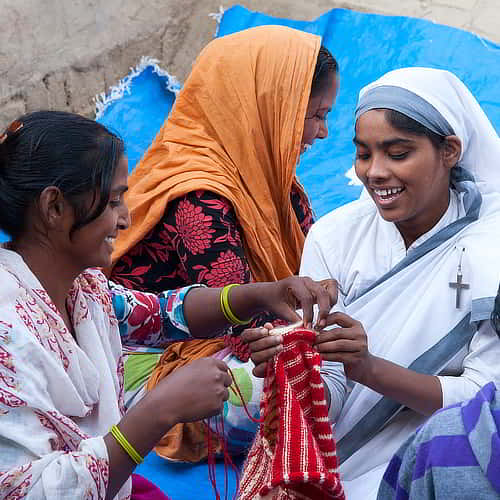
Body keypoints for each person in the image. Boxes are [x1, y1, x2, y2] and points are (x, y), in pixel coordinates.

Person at [0, 111, 338, 499]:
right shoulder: (8, 332)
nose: (126, 219)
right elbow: (26, 491)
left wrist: (262, 294)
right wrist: (159, 411)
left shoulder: (83, 288)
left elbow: (159, 314)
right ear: (54, 207)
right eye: (112, 202)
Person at [242, 67, 500, 499]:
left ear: (449, 150)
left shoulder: (489, 252)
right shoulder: (338, 236)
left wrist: (370, 369)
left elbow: (485, 401)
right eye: (364, 154)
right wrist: (292, 368)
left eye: (398, 154)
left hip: (433, 453)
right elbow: (330, 387)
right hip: (327, 453)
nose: (375, 172)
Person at [107, 25, 339, 459]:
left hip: (243, 337)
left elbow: (311, 266)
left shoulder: (267, 175)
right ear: (272, 109)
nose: (322, 133)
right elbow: (239, 324)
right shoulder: (201, 197)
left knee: (341, 361)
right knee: (294, 395)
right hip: (154, 354)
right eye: (315, 115)